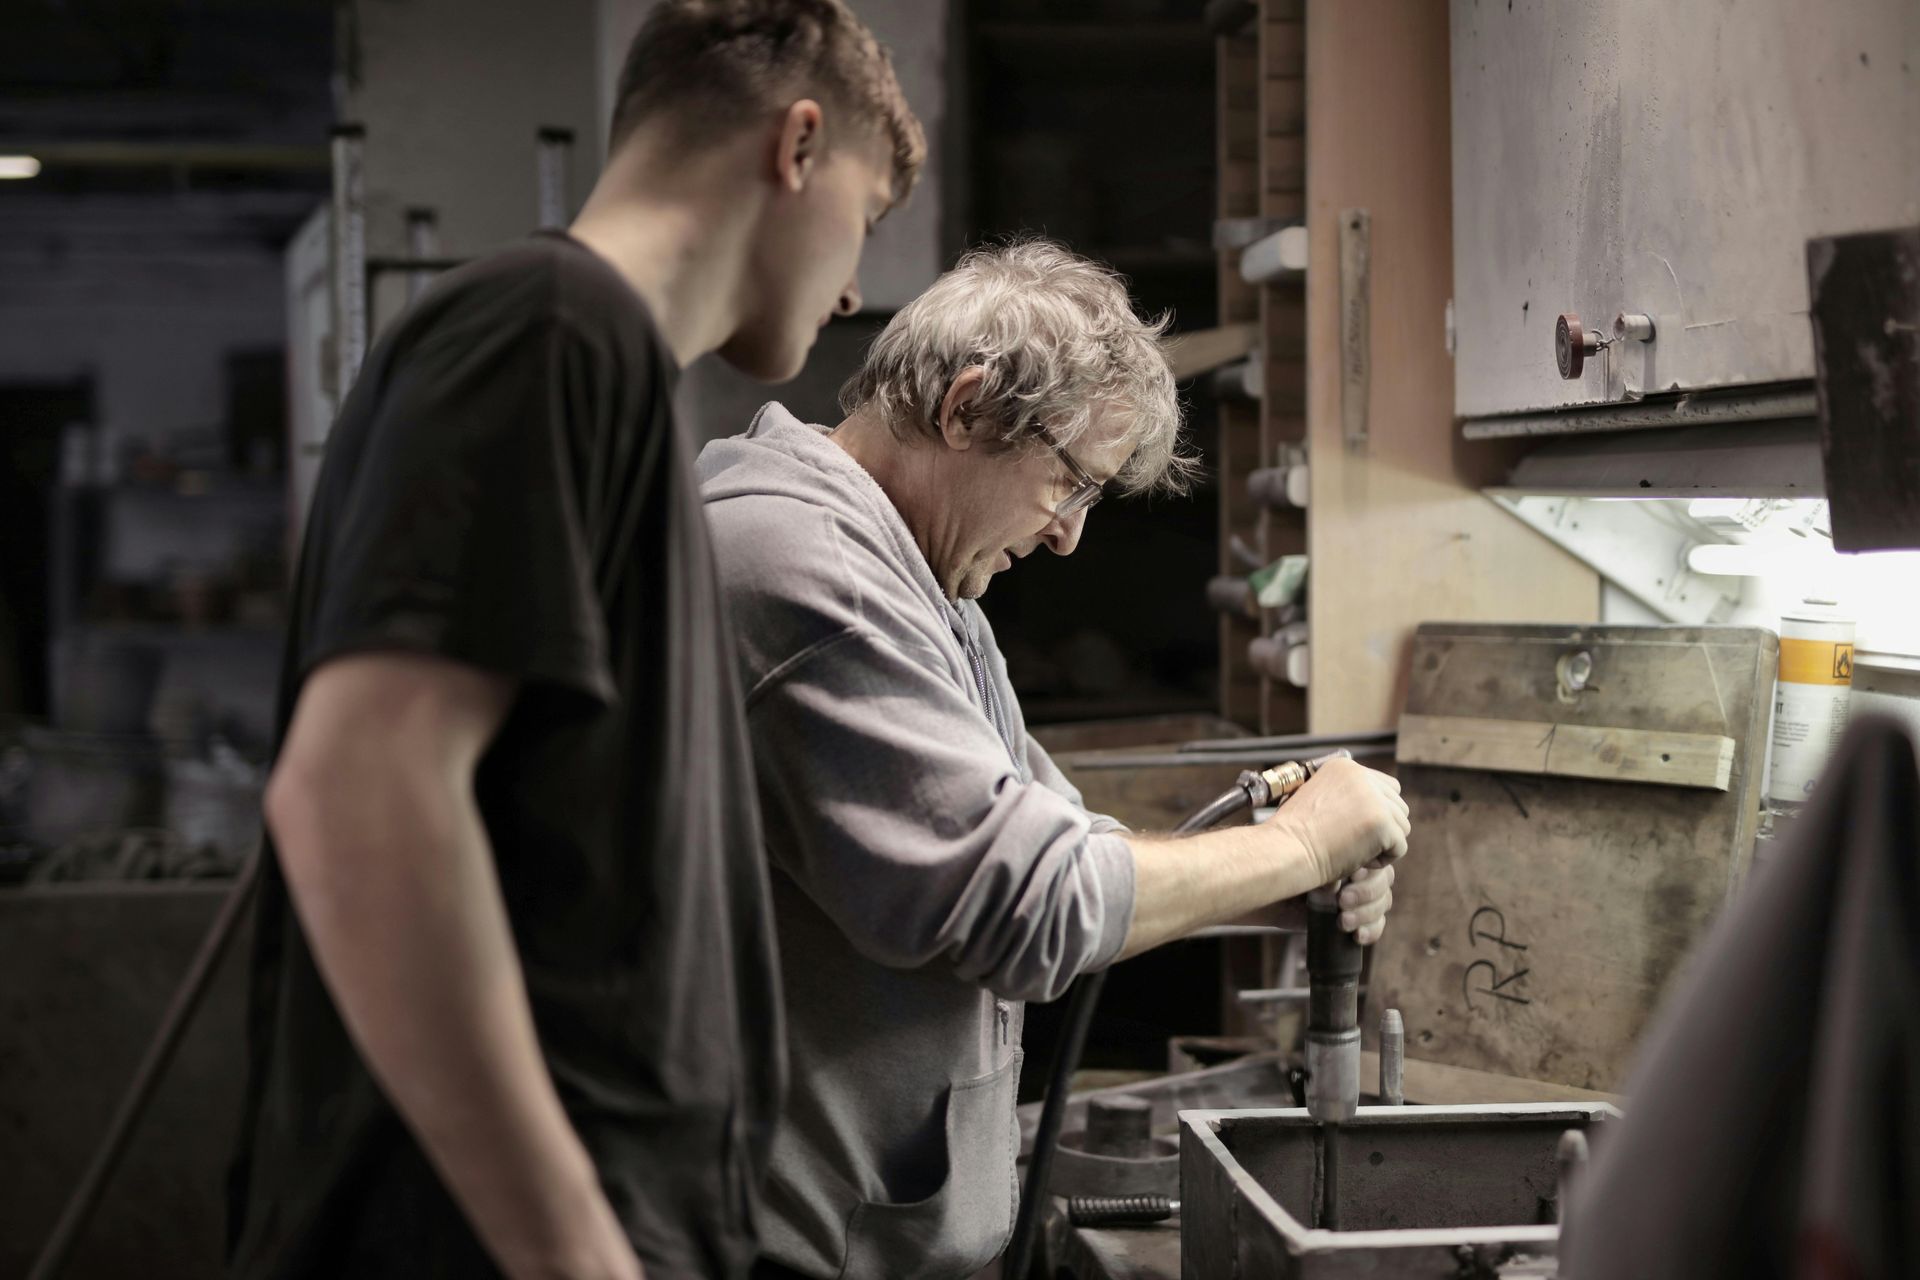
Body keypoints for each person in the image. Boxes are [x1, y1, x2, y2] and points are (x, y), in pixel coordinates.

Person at [226, 4, 923, 1278]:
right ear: (800, 145)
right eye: (867, 219)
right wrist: (573, 1250)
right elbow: (360, 793)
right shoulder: (551, 332)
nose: (858, 284)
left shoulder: (591, 369)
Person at [697, 239, 1410, 1280]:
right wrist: (1301, 840)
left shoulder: (923, 576)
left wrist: (1286, 877)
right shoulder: (811, 578)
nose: (1071, 535)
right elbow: (1029, 899)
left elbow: (1069, 849)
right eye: (1070, 483)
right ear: (967, 407)